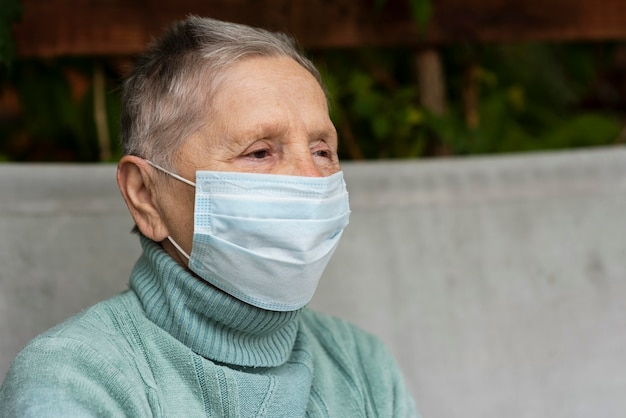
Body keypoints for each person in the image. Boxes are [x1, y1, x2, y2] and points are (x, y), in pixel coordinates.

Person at [0, 16, 419, 417]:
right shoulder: (73, 380)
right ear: (145, 196)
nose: (309, 180)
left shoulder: (365, 366)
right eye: (259, 152)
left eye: (322, 151)